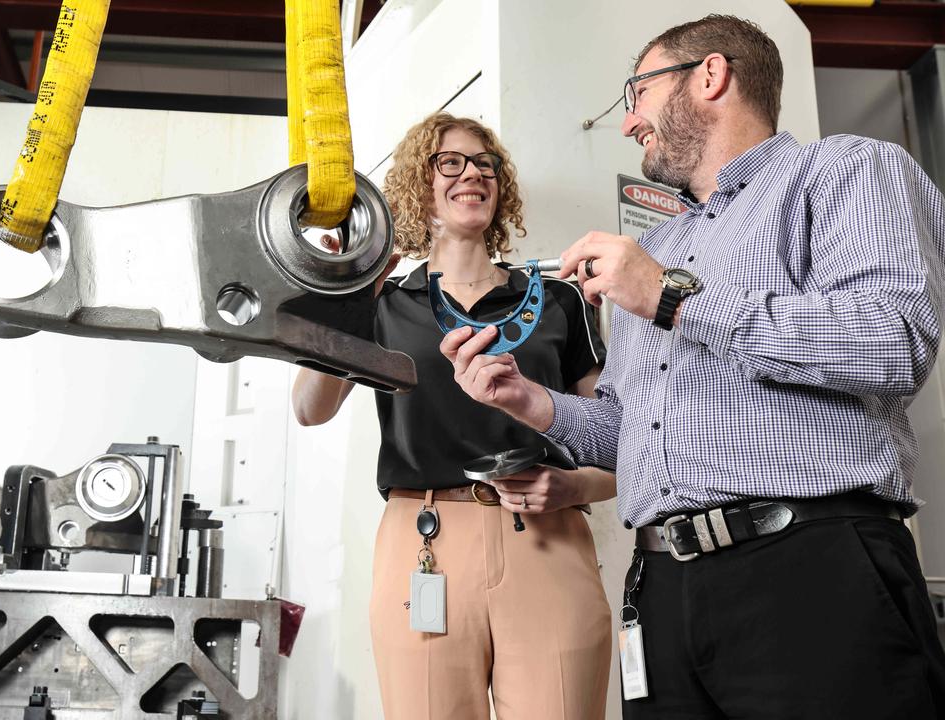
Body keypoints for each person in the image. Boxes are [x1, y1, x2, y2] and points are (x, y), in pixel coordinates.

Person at [442, 14, 945, 719]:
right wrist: (529, 401)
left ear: (710, 76)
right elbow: (630, 432)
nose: (627, 123)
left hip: (809, 573)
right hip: (662, 594)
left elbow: (891, 342)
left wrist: (670, 297)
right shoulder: (660, 245)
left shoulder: (847, 170)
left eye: (637, 93)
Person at [292, 112, 615, 719]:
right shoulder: (384, 305)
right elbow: (310, 410)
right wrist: (350, 294)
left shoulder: (558, 301)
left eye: (484, 163)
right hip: (425, 540)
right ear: (420, 185)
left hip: (549, 537)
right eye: (451, 162)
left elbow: (620, 443)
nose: (472, 173)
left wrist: (573, 485)